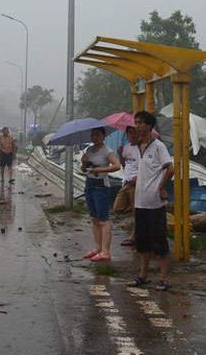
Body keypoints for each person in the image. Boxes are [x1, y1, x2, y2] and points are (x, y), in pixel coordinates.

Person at [128, 111, 174, 291]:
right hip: (141, 202)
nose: (137, 126)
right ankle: (143, 275)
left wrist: (161, 188)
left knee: (159, 241)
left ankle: (163, 278)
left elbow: (170, 170)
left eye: (140, 123)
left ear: (149, 125)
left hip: (154, 203)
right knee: (143, 241)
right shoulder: (139, 146)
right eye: (136, 122)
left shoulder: (158, 147)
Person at [81, 127, 121, 262]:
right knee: (94, 219)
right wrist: (83, 162)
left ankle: (105, 252)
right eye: (93, 135)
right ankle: (97, 248)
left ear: (103, 136)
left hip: (101, 186)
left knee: (103, 219)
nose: (94, 137)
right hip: (89, 184)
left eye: (97, 135)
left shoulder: (107, 151)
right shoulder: (88, 150)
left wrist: (101, 169)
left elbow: (117, 166)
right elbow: (83, 169)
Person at [112, 125, 139, 246]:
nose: (133, 135)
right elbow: (125, 165)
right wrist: (119, 154)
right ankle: (130, 207)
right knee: (117, 208)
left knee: (136, 214)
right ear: (127, 134)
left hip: (136, 183)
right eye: (130, 133)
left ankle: (134, 236)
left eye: (135, 132)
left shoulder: (142, 148)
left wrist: (138, 178)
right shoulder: (126, 147)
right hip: (126, 182)